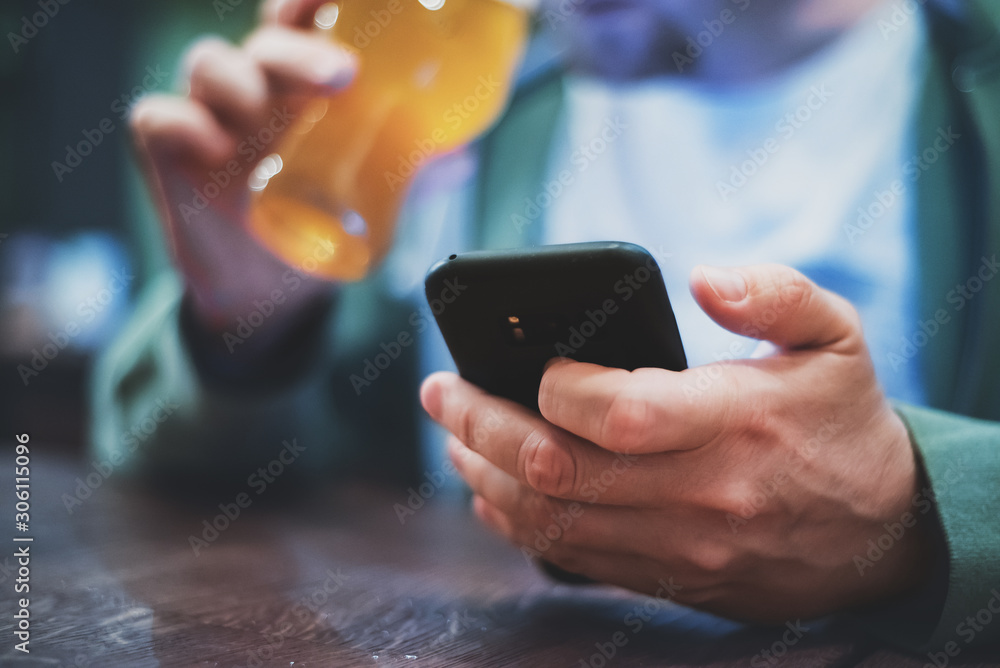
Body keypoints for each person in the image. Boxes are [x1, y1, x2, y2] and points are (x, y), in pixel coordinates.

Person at [91, 0, 1000, 655]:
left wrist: (923, 510)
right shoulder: (469, 111)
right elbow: (227, 483)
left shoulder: (974, 85)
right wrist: (250, 319)